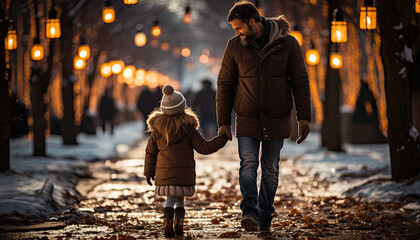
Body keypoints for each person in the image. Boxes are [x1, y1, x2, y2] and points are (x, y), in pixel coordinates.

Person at [216, 1, 311, 237]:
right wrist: (223, 123)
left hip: (277, 118)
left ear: (253, 21)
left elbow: (300, 82)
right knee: (248, 165)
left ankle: (265, 217)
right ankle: (249, 212)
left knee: (271, 170)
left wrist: (304, 117)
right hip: (247, 118)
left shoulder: (288, 44)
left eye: (238, 28)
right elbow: (225, 85)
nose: (236, 33)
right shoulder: (234, 46)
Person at [143, 84, 228, 237]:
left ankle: (167, 226)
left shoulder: (157, 130)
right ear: (182, 107)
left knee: (169, 200)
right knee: (180, 201)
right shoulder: (188, 129)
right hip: (183, 175)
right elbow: (204, 148)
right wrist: (222, 139)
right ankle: (178, 225)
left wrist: (149, 172)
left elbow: (150, 152)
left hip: (165, 175)